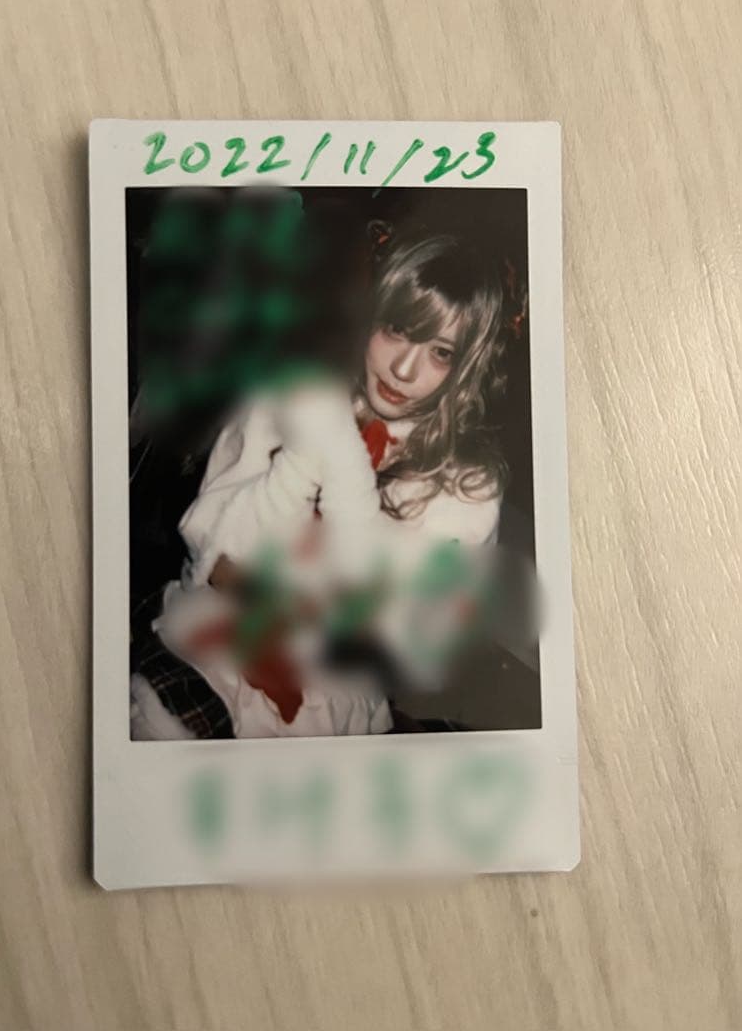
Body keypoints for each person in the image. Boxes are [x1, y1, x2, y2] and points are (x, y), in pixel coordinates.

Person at [131, 232, 509, 739]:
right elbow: (212, 552)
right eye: (397, 329)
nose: (403, 369)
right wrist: (303, 460)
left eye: (440, 352)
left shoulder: (467, 492)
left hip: (330, 704)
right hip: (210, 638)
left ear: (467, 367)